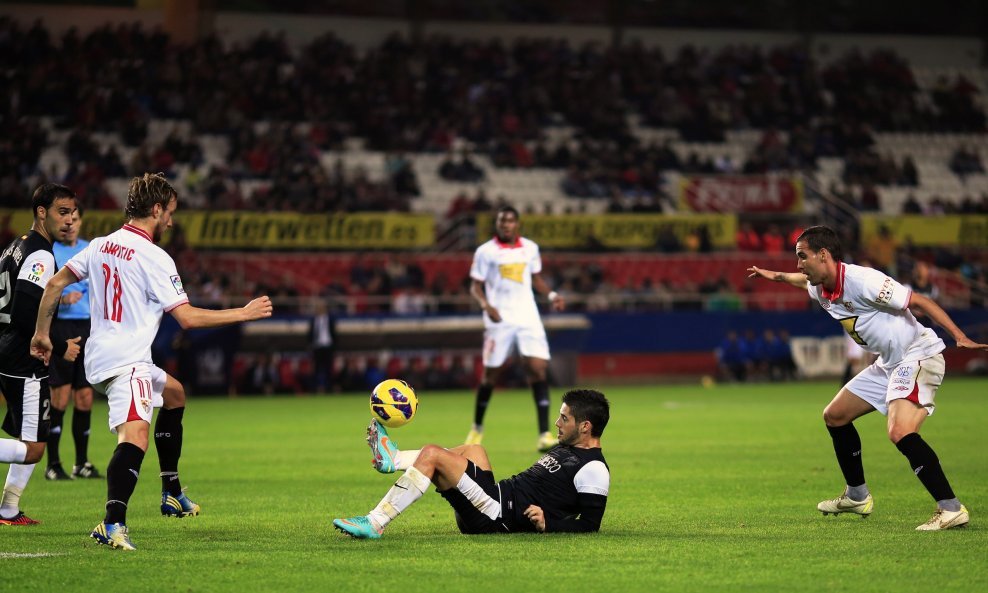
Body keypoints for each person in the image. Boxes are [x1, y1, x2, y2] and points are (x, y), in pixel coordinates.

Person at [31, 173, 273, 550]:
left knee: (174, 394)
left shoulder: (100, 244)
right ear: (157, 209)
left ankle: (172, 492)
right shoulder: (155, 257)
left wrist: (42, 334)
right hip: (125, 361)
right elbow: (188, 319)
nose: (171, 222)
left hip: (103, 354)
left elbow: (54, 284)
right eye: (170, 213)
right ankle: (112, 524)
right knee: (136, 438)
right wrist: (243, 312)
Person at [748, 225, 988, 531]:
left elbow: (920, 302)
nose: (798, 265)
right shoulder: (818, 285)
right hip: (888, 363)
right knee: (834, 416)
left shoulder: (865, 281)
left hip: (917, 354)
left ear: (823, 255)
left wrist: (960, 336)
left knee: (900, 431)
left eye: (802, 256)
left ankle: (950, 508)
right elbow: (796, 280)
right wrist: (774, 275)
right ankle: (857, 496)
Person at [334, 388, 610, 539]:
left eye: (564, 418)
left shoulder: (594, 468)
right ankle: (394, 459)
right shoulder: (566, 449)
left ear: (585, 426)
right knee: (474, 448)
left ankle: (375, 522)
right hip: (495, 500)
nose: (557, 423)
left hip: (497, 516)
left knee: (433, 453)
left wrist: (549, 523)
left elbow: (590, 524)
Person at [0, 183, 81, 525]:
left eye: (73, 214)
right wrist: (59, 346)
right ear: (42, 212)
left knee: (27, 437)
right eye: (63, 212)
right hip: (22, 359)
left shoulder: (14, 247)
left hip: (5, 350)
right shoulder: (41, 255)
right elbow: (24, 311)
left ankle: (7, 509)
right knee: (34, 447)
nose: (69, 221)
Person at [465, 205, 566, 452]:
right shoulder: (485, 251)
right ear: (497, 224)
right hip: (499, 318)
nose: (505, 225)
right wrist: (486, 305)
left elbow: (535, 279)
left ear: (517, 224)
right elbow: (475, 286)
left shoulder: (530, 248)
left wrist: (552, 295)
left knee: (538, 369)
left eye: (510, 221)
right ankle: (477, 428)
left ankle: (544, 434)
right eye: (501, 221)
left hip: (527, 316)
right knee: (491, 374)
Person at [44, 205, 101, 481]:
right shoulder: (51, 252)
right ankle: (53, 463)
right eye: (67, 219)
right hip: (61, 327)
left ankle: (82, 463)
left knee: (85, 396)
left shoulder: (90, 249)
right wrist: (63, 301)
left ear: (80, 221)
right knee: (61, 396)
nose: (71, 224)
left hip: (88, 327)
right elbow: (45, 291)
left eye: (76, 219)